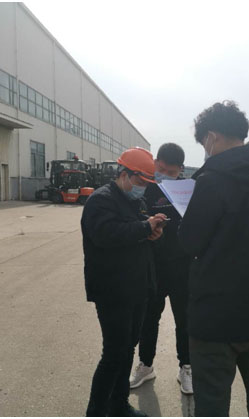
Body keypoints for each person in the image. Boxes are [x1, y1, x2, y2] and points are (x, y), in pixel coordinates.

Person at [178, 101, 249, 417]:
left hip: (216, 319)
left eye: (204, 143)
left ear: (212, 137)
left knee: (212, 404)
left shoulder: (212, 181)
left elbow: (189, 242)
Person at [81, 147, 167, 417]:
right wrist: (144, 227)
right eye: (141, 181)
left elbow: (135, 230)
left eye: (148, 183)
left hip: (137, 287)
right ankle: (96, 411)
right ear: (124, 174)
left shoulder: (133, 201)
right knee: (114, 353)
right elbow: (106, 234)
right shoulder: (101, 200)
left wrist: (152, 233)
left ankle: (119, 405)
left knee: (127, 348)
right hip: (113, 290)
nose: (143, 188)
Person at [129, 143, 193, 394]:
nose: (164, 175)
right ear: (155, 163)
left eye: (171, 172)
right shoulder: (145, 188)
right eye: (161, 169)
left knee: (184, 320)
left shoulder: (188, 191)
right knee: (149, 319)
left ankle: (186, 366)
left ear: (181, 170)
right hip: (153, 266)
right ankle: (146, 365)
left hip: (182, 266)